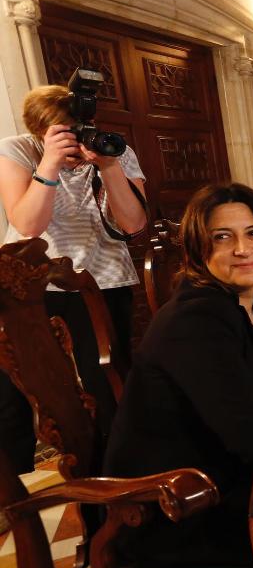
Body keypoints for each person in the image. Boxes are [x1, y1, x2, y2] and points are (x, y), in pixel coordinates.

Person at [102, 183, 253, 567]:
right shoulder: (195, 319)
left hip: (227, 474)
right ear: (197, 250)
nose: (243, 249)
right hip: (176, 511)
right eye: (222, 237)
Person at [0, 84, 148, 476]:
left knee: (108, 380)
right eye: (62, 133)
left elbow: (133, 224)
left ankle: (115, 469)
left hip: (104, 280)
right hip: (31, 286)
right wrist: (48, 166)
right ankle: (14, 490)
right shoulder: (17, 150)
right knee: (22, 386)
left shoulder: (112, 150)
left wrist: (110, 167)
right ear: (39, 133)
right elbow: (28, 224)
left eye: (79, 128)